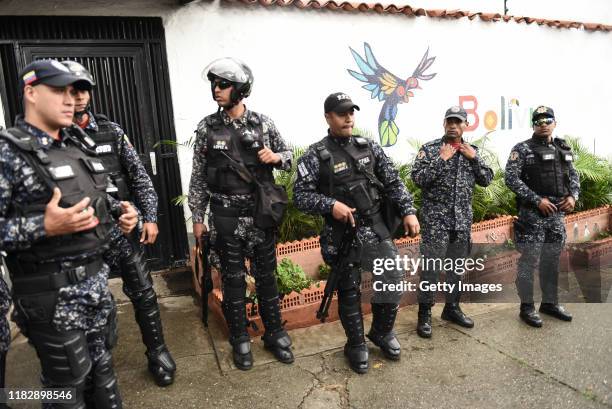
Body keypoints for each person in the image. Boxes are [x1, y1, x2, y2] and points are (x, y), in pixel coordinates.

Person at [0, 59, 138, 408]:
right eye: (59, 90)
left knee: (103, 381)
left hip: (94, 291)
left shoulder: (76, 145)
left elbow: (101, 196)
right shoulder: (8, 154)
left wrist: (123, 211)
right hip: (51, 299)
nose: (69, 99)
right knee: (66, 392)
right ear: (30, 92)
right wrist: (44, 226)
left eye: (73, 91)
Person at [61, 60, 176, 386]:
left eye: (83, 90)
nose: (79, 97)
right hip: (83, 238)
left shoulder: (111, 130)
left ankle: (158, 352)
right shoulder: (56, 138)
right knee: (88, 304)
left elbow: (139, 177)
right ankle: (92, 369)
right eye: (72, 90)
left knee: (144, 294)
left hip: (124, 232)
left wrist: (148, 216)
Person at [293, 92, 420, 374]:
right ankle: (356, 344)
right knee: (349, 292)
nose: (348, 117)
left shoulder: (368, 146)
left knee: (393, 279)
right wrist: (330, 204)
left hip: (375, 229)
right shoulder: (315, 155)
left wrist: (409, 210)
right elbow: (300, 196)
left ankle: (382, 332)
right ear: (328, 117)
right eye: (341, 113)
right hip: (342, 236)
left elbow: (392, 181)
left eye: (351, 112)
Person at [189, 57, 294, 370]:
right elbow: (198, 177)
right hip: (225, 216)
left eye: (223, 84)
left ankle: (274, 334)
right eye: (214, 84)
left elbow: (289, 158)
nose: (216, 89)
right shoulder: (207, 127)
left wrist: (275, 157)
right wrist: (197, 218)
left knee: (267, 279)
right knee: (233, 280)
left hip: (260, 214)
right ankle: (240, 339)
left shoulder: (263, 123)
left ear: (240, 89)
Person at [411, 105, 493, 338]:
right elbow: (418, 178)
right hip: (435, 223)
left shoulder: (472, 151)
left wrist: (474, 159)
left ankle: (452, 308)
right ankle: (424, 314)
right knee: (431, 271)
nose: (453, 126)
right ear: (444, 124)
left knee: (456, 269)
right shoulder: (430, 150)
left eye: (458, 122)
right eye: (450, 121)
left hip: (461, 223)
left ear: (465, 125)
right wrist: (440, 160)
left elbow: (487, 179)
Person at [505, 106, 579, 327]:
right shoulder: (523, 149)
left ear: (555, 123)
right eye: (539, 121)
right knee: (529, 261)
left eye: (548, 119)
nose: (543, 123)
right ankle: (527, 307)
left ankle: (550, 303)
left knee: (552, 260)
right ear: (533, 125)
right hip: (532, 215)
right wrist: (537, 199)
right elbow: (510, 178)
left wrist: (573, 196)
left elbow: (573, 175)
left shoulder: (562, 147)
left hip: (557, 215)